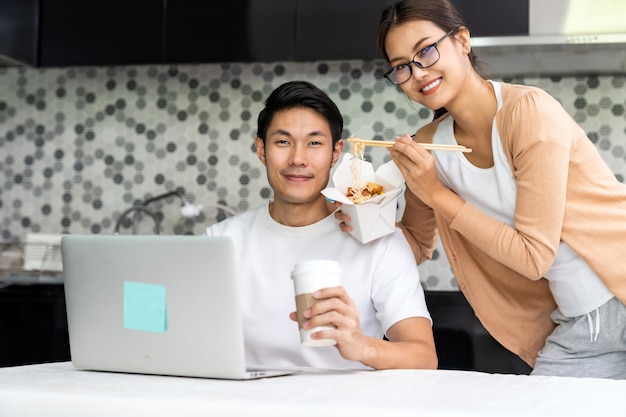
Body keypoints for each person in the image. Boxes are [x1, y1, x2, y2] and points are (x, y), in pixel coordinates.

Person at [337, 0, 626, 379]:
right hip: (581, 324)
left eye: (426, 50)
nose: (418, 72)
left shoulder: (528, 112)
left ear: (462, 40)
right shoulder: (429, 149)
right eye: (402, 66)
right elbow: (417, 245)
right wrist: (362, 218)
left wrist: (437, 193)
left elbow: (534, 256)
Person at [205, 80, 437, 371]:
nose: (298, 159)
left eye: (314, 143)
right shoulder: (220, 242)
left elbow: (424, 357)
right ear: (261, 150)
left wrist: (360, 345)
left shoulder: (380, 241)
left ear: (336, 152)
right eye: (282, 142)